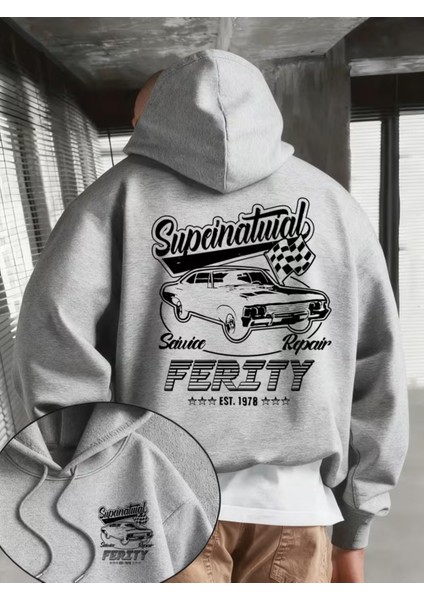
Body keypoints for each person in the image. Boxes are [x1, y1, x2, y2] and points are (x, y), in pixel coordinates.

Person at [12, 49, 409, 583]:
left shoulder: (105, 203)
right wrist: (357, 519)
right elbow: (377, 370)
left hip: (153, 501)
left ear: (154, 119)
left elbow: (54, 355)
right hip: (294, 509)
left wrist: (85, 483)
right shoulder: (334, 206)